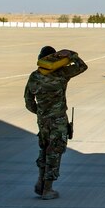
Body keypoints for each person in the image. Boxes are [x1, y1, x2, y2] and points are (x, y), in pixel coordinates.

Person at [24, 45, 88, 199]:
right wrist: (71, 54)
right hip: (58, 119)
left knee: (44, 150)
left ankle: (40, 183)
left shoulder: (34, 76)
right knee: (55, 152)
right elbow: (82, 66)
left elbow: (28, 101)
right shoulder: (61, 74)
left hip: (43, 120)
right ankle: (47, 189)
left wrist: (40, 113)